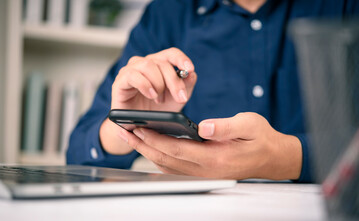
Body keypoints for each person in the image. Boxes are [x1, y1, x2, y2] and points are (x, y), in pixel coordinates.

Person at [67, 0, 359, 182]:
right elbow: (80, 154)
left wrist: (284, 157)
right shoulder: (167, 14)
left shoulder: (345, 6)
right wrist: (130, 122)